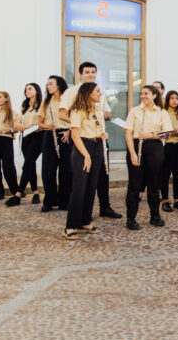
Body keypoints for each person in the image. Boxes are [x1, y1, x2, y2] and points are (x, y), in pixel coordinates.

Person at [59, 62, 122, 220]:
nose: (91, 74)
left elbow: (106, 112)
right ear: (80, 74)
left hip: (98, 138)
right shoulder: (71, 92)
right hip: (82, 138)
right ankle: (76, 218)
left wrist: (104, 117)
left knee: (101, 175)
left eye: (94, 72)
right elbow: (62, 114)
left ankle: (104, 207)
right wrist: (78, 123)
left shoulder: (97, 92)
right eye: (87, 72)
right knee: (81, 181)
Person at [124, 85, 171, 230]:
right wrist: (132, 153)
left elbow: (167, 133)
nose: (143, 96)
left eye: (146, 94)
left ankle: (155, 216)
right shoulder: (135, 111)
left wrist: (151, 135)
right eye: (141, 93)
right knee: (134, 185)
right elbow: (128, 132)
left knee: (154, 184)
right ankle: (131, 218)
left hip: (155, 147)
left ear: (154, 96)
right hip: (137, 146)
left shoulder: (162, 112)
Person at [64, 83, 106, 240]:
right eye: (97, 91)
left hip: (96, 146)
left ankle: (85, 222)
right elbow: (75, 135)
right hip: (83, 148)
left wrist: (102, 135)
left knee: (91, 186)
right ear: (88, 93)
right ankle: (70, 226)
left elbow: (96, 127)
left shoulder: (96, 109)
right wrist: (86, 156)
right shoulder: (77, 109)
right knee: (79, 187)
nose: (100, 94)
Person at [39, 76, 70, 214]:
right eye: (47, 84)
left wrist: (69, 130)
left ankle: (65, 201)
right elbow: (39, 122)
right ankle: (49, 200)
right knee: (47, 170)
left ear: (59, 85)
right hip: (49, 135)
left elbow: (76, 118)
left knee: (66, 170)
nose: (48, 86)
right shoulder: (46, 102)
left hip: (66, 135)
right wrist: (46, 125)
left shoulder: (68, 99)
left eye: (51, 84)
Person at [17, 83, 44, 204]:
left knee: (27, 164)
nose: (27, 91)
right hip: (25, 137)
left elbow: (40, 124)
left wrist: (26, 127)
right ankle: (35, 193)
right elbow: (17, 124)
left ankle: (18, 193)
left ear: (36, 91)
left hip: (37, 137)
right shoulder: (24, 107)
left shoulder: (42, 105)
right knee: (30, 165)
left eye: (30, 89)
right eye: (26, 89)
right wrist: (25, 127)